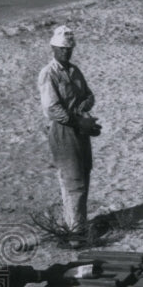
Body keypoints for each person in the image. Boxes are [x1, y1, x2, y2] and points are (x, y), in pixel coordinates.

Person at [38, 25, 101, 244]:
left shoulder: (75, 71)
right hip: (64, 130)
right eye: (62, 48)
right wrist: (78, 120)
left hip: (80, 129)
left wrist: (84, 110)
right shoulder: (49, 74)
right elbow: (53, 109)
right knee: (72, 180)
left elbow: (89, 95)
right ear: (53, 48)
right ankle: (75, 232)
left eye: (69, 48)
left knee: (84, 174)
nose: (66, 52)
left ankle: (79, 223)